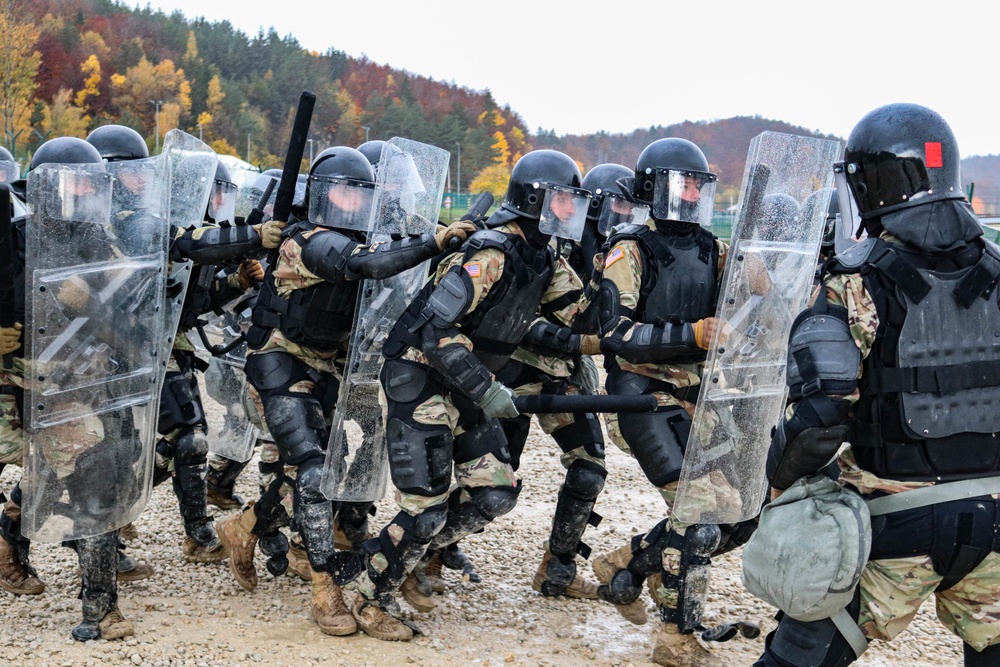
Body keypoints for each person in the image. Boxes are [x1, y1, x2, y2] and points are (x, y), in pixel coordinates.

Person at [756, 103, 1000, 667]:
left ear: (869, 184)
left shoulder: (856, 282)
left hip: (893, 526)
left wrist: (777, 483)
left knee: (797, 657)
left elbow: (820, 422)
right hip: (995, 520)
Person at [329, 149, 595, 641]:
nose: (570, 212)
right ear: (536, 200)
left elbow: (586, 316)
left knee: (496, 493)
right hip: (420, 376)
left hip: (465, 383)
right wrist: (489, 390)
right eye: (563, 201)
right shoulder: (491, 253)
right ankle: (370, 597)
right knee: (425, 509)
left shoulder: (544, 255)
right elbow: (434, 332)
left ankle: (383, 558)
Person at [217, 145, 475, 636]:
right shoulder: (306, 240)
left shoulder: (370, 237)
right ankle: (323, 587)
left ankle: (246, 525)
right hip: (279, 356)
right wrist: (432, 242)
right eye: (341, 191)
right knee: (314, 472)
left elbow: (387, 284)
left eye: (361, 193)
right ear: (319, 193)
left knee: (337, 467)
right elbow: (366, 266)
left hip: (334, 364)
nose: (351, 201)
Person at [591, 138, 736, 666]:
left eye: (700, 184)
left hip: (700, 395)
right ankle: (677, 638)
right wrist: (693, 334)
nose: (694, 192)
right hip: (641, 393)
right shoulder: (629, 249)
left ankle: (628, 563)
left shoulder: (711, 248)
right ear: (656, 188)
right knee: (696, 517)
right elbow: (615, 335)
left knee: (740, 511)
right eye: (684, 182)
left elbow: (746, 307)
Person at [0, 136, 138, 640]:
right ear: (46, 188)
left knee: (95, 473)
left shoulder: (101, 247)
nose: (84, 190)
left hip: (63, 388)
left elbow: (132, 329)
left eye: (90, 182)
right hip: (5, 385)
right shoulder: (9, 238)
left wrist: (91, 306)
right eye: (74, 181)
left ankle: (100, 609)